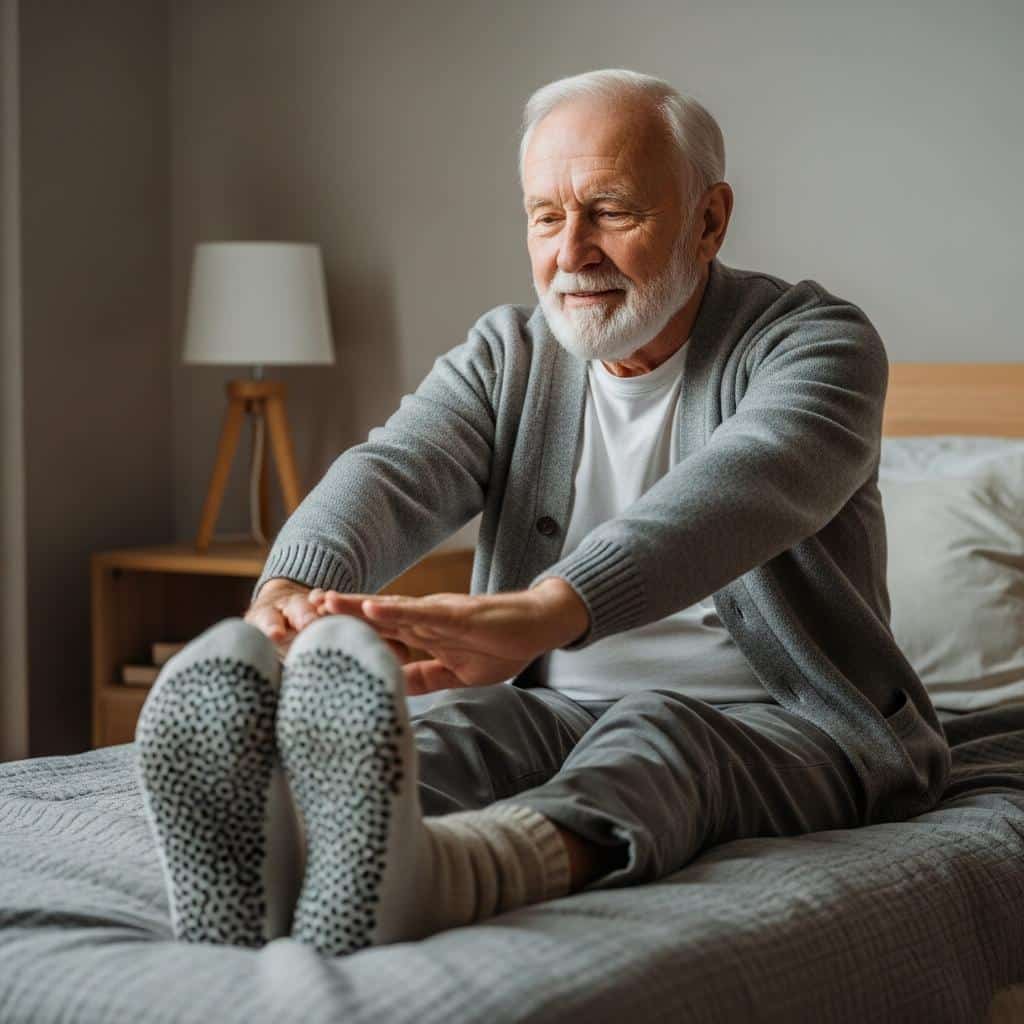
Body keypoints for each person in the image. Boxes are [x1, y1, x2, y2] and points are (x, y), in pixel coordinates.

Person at [135, 68, 951, 958]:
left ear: (709, 219)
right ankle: (273, 844)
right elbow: (397, 470)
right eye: (546, 216)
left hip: (793, 722)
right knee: (459, 734)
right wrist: (287, 595)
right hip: (555, 709)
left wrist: (544, 611)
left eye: (611, 211)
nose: (573, 252)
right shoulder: (508, 354)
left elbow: (742, 487)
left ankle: (463, 873)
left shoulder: (818, 344)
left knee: (660, 735)